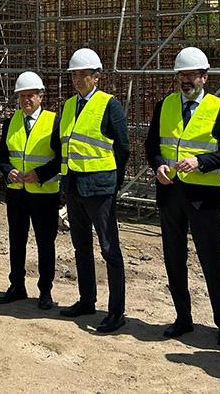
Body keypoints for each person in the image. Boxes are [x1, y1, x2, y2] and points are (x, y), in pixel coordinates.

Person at [144, 47, 220, 347]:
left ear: (204, 77)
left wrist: (201, 161)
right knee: (174, 259)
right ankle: (183, 318)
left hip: (203, 197)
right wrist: (158, 163)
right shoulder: (165, 105)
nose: (186, 80)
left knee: (212, 261)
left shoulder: (219, 108)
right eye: (181, 75)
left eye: (191, 75)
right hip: (170, 193)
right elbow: (152, 145)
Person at [58, 48, 130, 334]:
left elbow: (123, 147)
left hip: (100, 188)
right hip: (74, 186)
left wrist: (113, 181)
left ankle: (116, 312)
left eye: (82, 74)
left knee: (110, 249)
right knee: (81, 247)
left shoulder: (109, 105)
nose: (77, 79)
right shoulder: (68, 106)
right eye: (74, 75)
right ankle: (87, 300)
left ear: (96, 77)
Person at [0, 71, 62, 310]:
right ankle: (17, 285)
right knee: (16, 240)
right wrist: (7, 171)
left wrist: (40, 175)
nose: (26, 100)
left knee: (45, 242)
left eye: (30, 95)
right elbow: (2, 154)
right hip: (16, 192)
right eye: (22, 96)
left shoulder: (54, 122)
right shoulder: (11, 122)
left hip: (44, 193)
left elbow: (61, 158)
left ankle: (45, 290)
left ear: (41, 96)